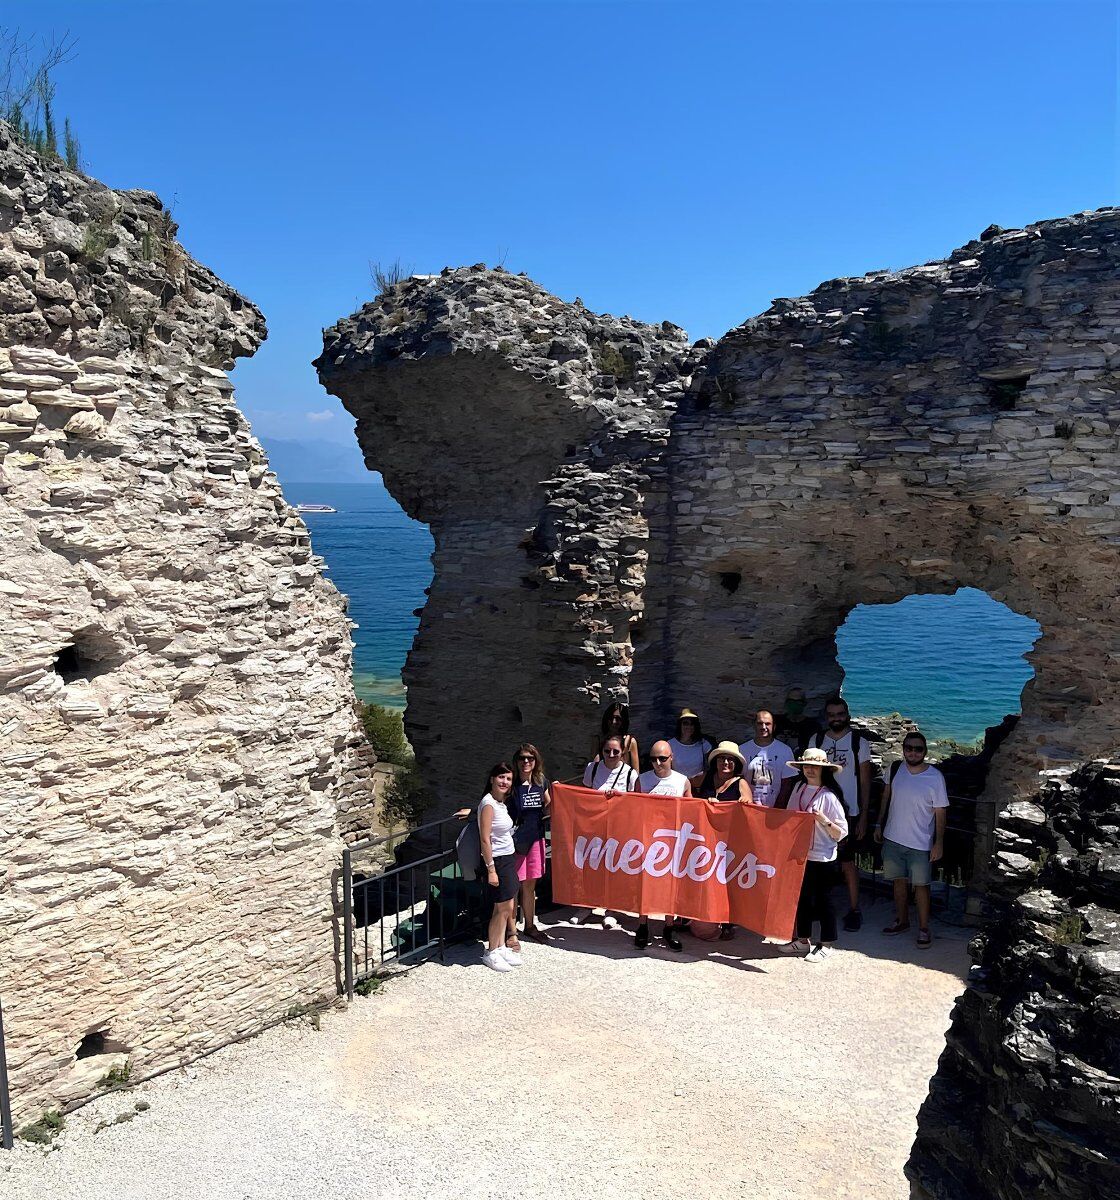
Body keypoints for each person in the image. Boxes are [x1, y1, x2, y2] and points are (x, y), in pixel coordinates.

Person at [874, 732, 948, 949]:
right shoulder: (895, 769)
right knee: (898, 882)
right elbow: (886, 796)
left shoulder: (935, 778)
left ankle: (924, 928)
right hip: (893, 837)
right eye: (909, 748)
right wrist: (879, 823)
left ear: (925, 752)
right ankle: (902, 920)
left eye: (918, 749)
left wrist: (939, 842)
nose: (913, 752)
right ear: (903, 749)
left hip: (920, 842)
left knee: (921, 886)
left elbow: (940, 812)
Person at [780, 747, 848, 964]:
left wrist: (823, 820)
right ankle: (803, 939)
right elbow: (791, 817)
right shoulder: (799, 788)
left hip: (824, 856)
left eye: (814, 766)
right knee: (802, 899)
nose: (809, 770)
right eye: (806, 766)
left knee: (824, 900)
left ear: (822, 769)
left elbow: (841, 832)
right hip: (802, 854)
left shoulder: (828, 796)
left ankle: (827, 943)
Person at [812, 696, 872, 932]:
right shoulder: (816, 740)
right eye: (832, 714)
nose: (836, 718)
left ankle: (854, 909)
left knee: (847, 862)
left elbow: (866, 782)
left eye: (840, 714)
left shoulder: (859, 743)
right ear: (826, 717)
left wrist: (864, 815)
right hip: (819, 810)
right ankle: (819, 905)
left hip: (849, 813)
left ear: (846, 714)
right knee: (818, 860)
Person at [576, 735, 638, 928]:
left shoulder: (630, 774)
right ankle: (587, 905)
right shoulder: (592, 768)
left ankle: (612, 909)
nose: (611, 755)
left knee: (614, 868)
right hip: (594, 826)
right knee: (591, 867)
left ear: (623, 753)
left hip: (619, 828)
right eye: (607, 751)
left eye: (615, 751)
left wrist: (617, 799)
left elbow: (635, 803)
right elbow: (584, 795)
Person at [633, 741, 690, 951]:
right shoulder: (643, 780)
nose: (658, 763)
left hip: (673, 842)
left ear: (671, 757)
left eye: (662, 759)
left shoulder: (682, 781)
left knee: (671, 886)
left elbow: (692, 811)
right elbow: (632, 807)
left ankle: (669, 926)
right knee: (645, 884)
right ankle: (642, 925)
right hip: (647, 841)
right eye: (654, 759)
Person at [695, 741, 755, 939]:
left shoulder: (741, 783)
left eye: (730, 759)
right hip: (706, 839)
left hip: (731, 841)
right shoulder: (706, 779)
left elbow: (750, 807)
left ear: (736, 763)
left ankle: (729, 921)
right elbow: (686, 786)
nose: (726, 762)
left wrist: (742, 804)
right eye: (722, 758)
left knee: (727, 880)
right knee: (705, 877)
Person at [478, 762, 523, 973]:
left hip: (507, 857)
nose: (504, 782)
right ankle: (491, 952)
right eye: (501, 777)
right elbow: (485, 839)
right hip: (497, 860)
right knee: (501, 907)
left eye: (508, 779)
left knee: (507, 906)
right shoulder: (488, 804)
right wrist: (491, 869)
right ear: (492, 779)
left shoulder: (500, 803)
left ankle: (501, 946)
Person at [510, 742, 552, 945]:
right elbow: (494, 804)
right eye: (522, 758)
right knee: (513, 886)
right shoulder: (511, 784)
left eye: (530, 758)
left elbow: (548, 807)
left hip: (535, 839)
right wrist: (474, 813)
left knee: (529, 885)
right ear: (517, 761)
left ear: (536, 761)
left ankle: (529, 925)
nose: (526, 761)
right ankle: (511, 931)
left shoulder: (541, 782)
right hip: (516, 841)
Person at [738, 710, 797, 808]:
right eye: (760, 723)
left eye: (767, 724)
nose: (763, 727)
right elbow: (738, 778)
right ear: (754, 725)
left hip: (775, 808)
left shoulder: (785, 750)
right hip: (747, 806)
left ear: (774, 727)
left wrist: (778, 807)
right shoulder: (742, 749)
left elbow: (787, 783)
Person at [590, 701, 640, 774]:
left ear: (623, 721)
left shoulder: (629, 742)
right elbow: (594, 767)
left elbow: (636, 772)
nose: (614, 722)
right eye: (611, 718)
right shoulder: (598, 740)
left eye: (618, 719)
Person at [667, 708, 713, 787]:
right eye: (685, 723)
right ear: (680, 725)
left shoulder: (704, 744)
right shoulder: (670, 745)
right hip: (676, 786)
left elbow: (708, 768)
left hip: (697, 787)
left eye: (692, 724)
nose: (689, 726)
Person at [774, 686, 821, 755]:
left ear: (804, 703)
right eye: (791, 701)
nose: (794, 704)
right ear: (786, 702)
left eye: (798, 701)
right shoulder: (777, 722)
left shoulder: (813, 726)